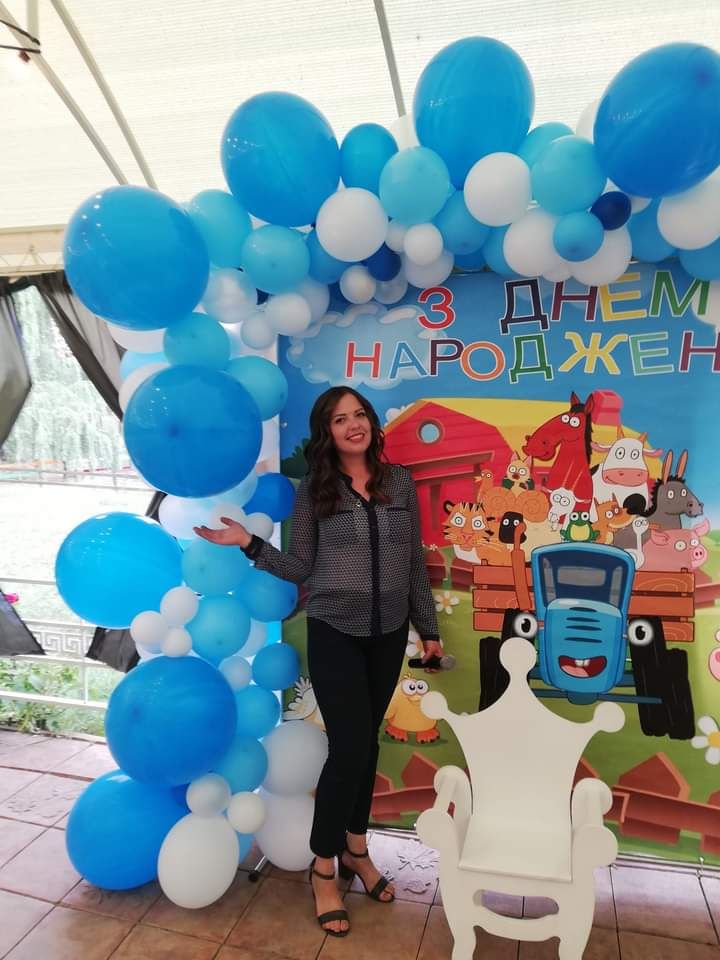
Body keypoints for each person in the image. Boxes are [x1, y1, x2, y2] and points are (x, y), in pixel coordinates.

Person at [194, 386, 441, 937]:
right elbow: (300, 566)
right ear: (326, 432)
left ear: (372, 423)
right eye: (340, 419)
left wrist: (428, 629)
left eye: (360, 415)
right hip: (335, 632)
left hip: (388, 633)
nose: (353, 425)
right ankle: (323, 866)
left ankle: (357, 848)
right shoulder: (316, 490)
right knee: (349, 750)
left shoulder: (399, 482)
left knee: (367, 746)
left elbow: (412, 564)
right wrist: (250, 543)